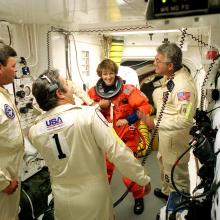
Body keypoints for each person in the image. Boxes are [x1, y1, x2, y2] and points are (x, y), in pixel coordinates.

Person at [28, 69, 151, 220]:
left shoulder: (34, 131)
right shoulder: (88, 116)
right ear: (60, 93)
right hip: (93, 198)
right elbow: (118, 152)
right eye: (67, 84)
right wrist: (143, 179)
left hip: (61, 198)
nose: (72, 87)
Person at [88, 59, 152, 215]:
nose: (108, 77)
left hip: (126, 140)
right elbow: (85, 111)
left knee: (129, 175)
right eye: (105, 74)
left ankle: (138, 197)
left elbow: (145, 107)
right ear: (100, 75)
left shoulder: (128, 91)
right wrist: (98, 106)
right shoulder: (94, 92)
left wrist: (129, 119)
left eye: (111, 73)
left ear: (115, 73)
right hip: (105, 140)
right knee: (103, 173)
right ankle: (102, 201)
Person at [144, 43, 198, 200]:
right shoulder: (171, 77)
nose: (154, 63)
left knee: (176, 172)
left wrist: (154, 123)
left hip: (175, 139)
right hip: (166, 134)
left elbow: (185, 119)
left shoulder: (183, 87)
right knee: (164, 164)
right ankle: (168, 192)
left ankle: (180, 204)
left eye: (158, 60)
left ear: (170, 65)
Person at [0, 40, 24, 219]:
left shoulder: (3, 92)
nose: (16, 70)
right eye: (13, 66)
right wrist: (2, 182)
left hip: (12, 174)